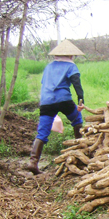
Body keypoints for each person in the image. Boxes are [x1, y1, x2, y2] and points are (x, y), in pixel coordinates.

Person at [27, 40, 86, 175]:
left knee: (42, 132)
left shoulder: (48, 67)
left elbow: (45, 83)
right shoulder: (71, 66)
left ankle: (33, 162)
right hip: (64, 100)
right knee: (77, 120)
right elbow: (77, 84)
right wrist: (81, 101)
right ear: (71, 55)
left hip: (46, 101)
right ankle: (80, 151)